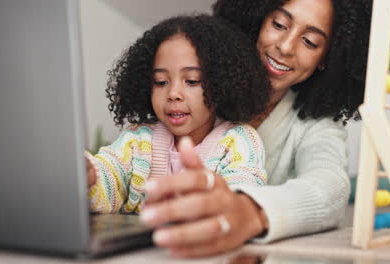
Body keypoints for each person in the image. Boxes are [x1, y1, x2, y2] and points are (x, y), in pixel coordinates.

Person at [140, 0, 372, 257]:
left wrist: (251, 213)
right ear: (257, 19)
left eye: (310, 42)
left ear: (326, 58)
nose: (285, 47)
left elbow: (329, 188)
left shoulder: (316, 124)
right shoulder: (193, 90)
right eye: (279, 24)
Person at [86, 14, 273, 214]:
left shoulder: (239, 142)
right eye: (160, 82)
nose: (173, 94)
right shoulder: (136, 141)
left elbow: (242, 194)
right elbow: (109, 179)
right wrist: (90, 176)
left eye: (192, 81)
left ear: (221, 84)